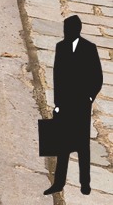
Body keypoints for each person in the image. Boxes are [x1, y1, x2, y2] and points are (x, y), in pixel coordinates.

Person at [49, 15, 102, 195]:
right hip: (64, 104)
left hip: (81, 105)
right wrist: (57, 103)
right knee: (62, 146)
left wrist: (89, 98)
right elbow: (57, 76)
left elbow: (97, 77)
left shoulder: (89, 48)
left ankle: (85, 184)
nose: (65, 33)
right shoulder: (60, 47)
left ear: (76, 30)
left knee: (82, 147)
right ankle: (58, 183)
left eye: (68, 29)